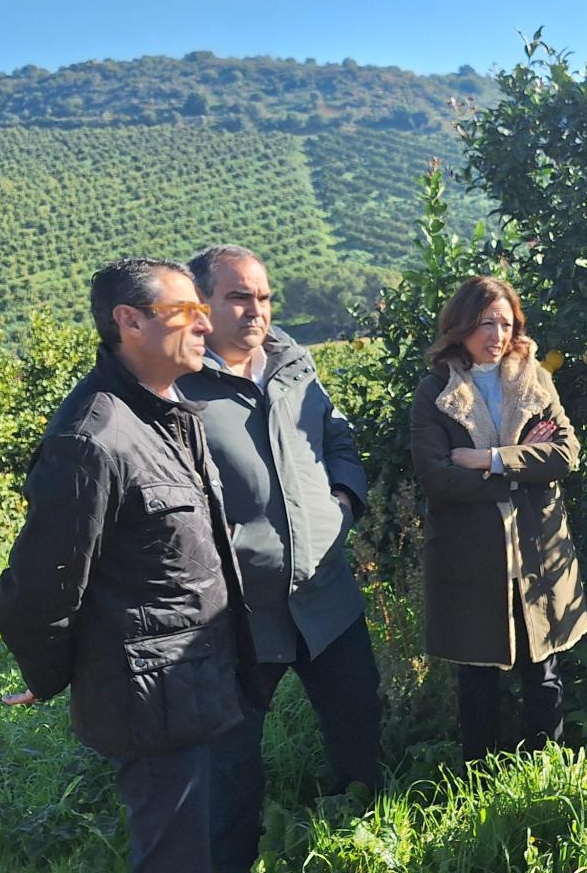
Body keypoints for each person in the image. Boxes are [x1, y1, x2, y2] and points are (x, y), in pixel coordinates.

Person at [0, 257, 252, 873]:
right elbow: (40, 585)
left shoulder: (167, 411)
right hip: (151, 699)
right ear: (129, 321)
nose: (205, 325)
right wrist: (49, 670)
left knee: (209, 840)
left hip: (199, 680)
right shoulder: (93, 439)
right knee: (173, 858)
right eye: (187, 311)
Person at [174, 245, 382, 873]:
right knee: (231, 767)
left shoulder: (295, 365)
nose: (255, 311)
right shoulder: (178, 388)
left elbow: (336, 437)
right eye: (239, 297)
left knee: (358, 724)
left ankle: (359, 841)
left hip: (327, 600)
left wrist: (344, 500)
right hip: (240, 616)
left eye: (263, 298)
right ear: (201, 305)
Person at [409, 275, 587, 761]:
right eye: (486, 323)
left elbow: (566, 454)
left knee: (543, 668)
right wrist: (521, 468)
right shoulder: (435, 391)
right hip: (471, 554)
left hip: (537, 546)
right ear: (461, 325)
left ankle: (546, 773)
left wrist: (491, 459)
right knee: (477, 672)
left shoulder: (535, 380)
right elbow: (438, 478)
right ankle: (479, 780)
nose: (497, 335)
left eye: (506, 323)